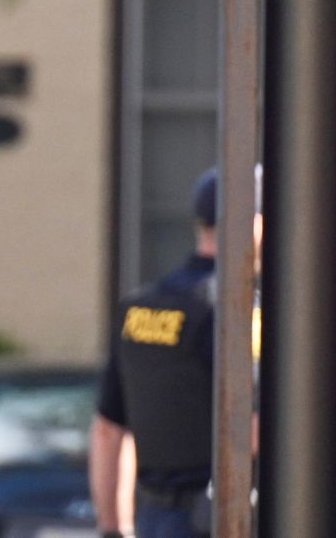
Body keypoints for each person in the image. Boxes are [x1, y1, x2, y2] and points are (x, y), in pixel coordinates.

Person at [89, 168, 219, 538]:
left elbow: (108, 430)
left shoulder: (140, 307)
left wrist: (112, 527)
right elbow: (256, 427)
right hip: (219, 515)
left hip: (155, 518)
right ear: (251, 222)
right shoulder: (232, 313)